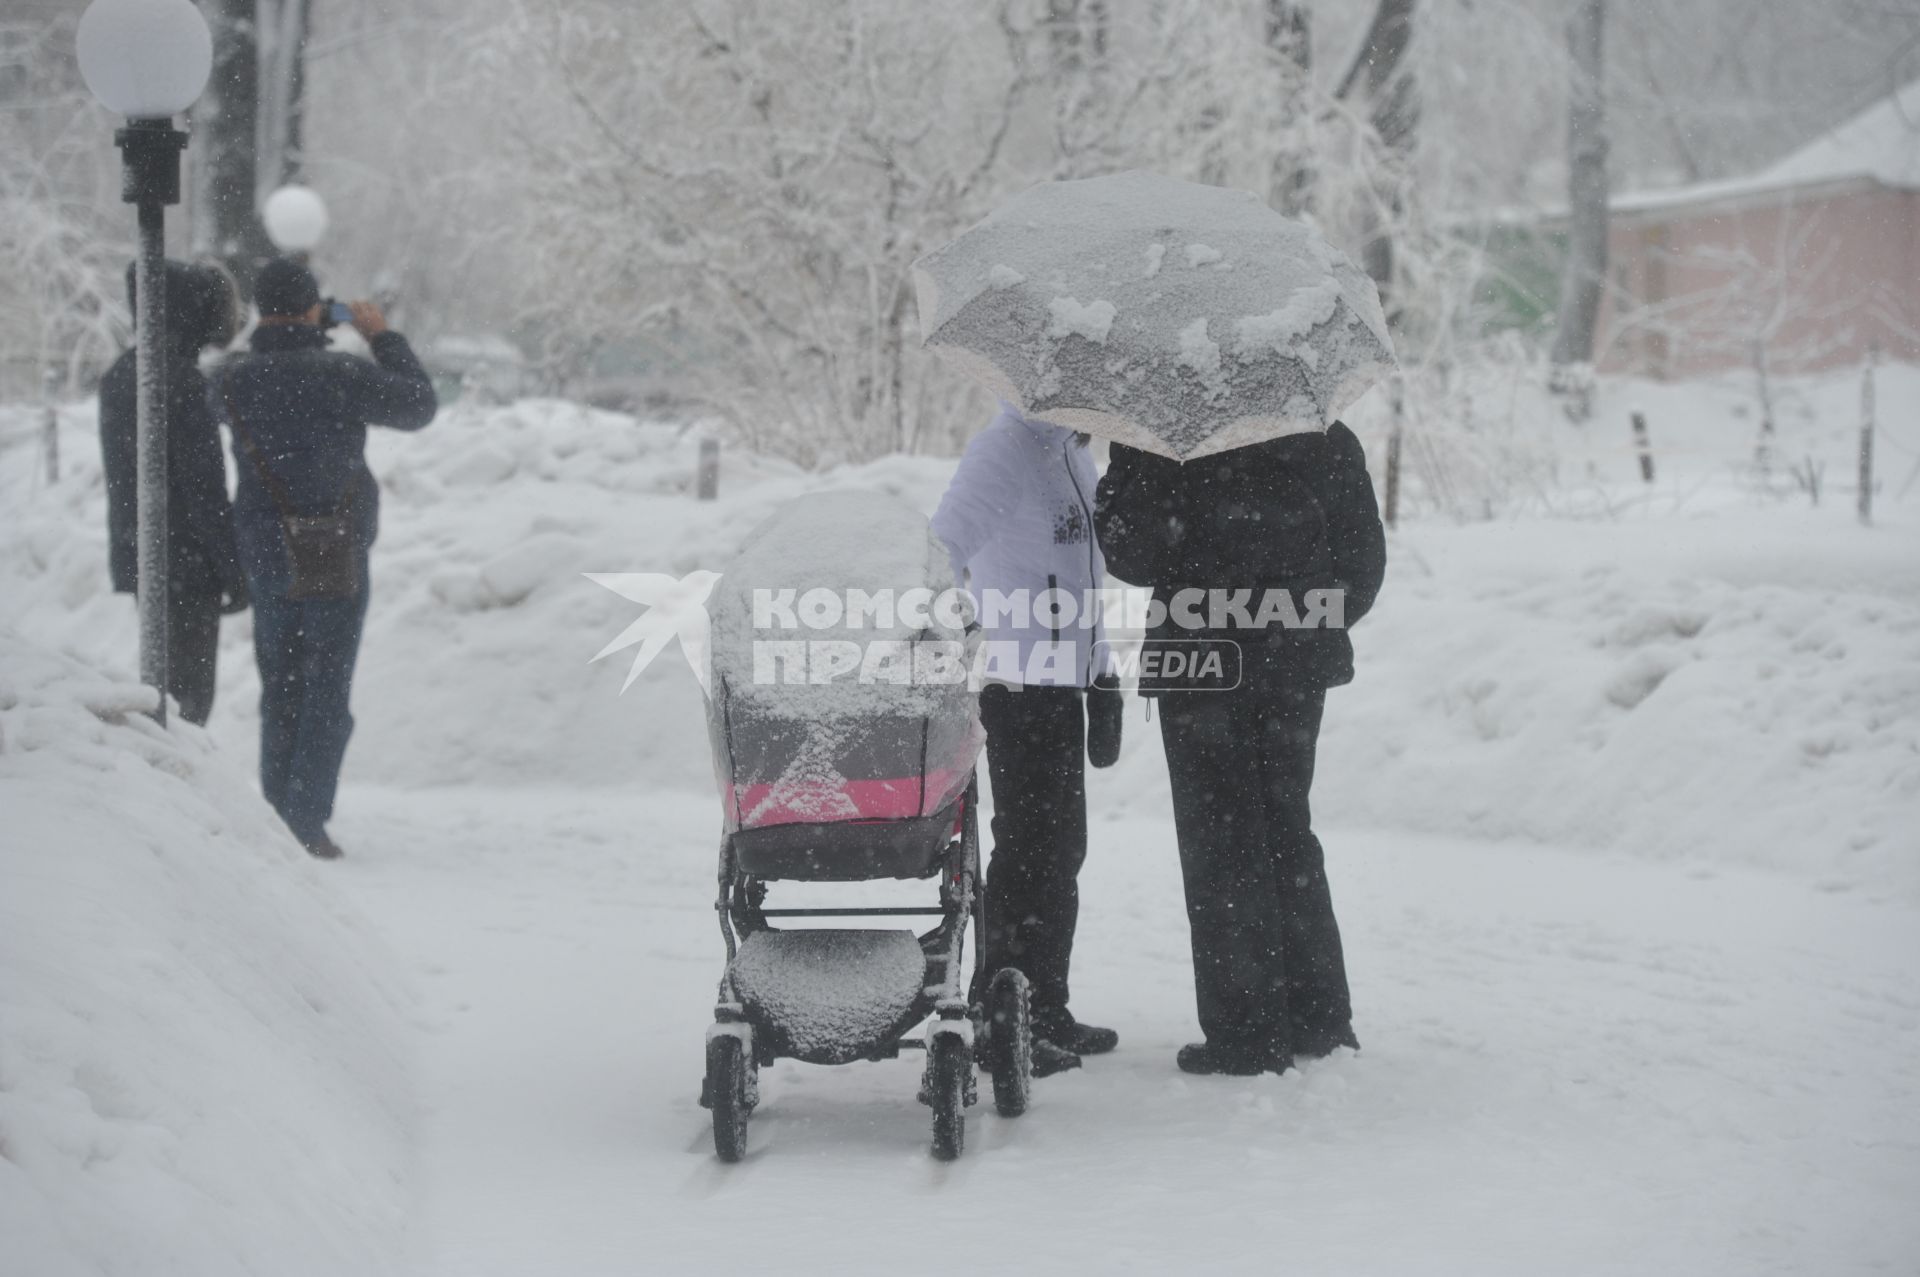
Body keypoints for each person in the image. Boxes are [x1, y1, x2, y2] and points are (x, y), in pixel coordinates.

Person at [1094, 422, 1385, 1076]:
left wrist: (1127, 474)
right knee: (1287, 827)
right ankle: (1318, 1016)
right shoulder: (1323, 431)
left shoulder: (1167, 432)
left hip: (1201, 664)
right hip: (1295, 666)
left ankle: (1247, 1031)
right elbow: (1363, 564)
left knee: (1221, 840)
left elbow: (1130, 552)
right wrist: (1300, 623)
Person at [211, 257, 437, 859]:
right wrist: (382, 337)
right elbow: (419, 405)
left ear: (260, 309)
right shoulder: (336, 372)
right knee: (325, 688)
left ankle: (277, 816)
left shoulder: (234, 377)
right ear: (316, 307)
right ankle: (305, 820)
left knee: (278, 684)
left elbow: (206, 394)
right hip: (333, 546)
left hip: (265, 548)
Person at [931, 403, 1122, 1077]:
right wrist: (957, 638)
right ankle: (999, 1014)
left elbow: (1081, 581)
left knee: (1062, 850)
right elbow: (941, 548)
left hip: (1063, 687)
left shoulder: (1072, 453)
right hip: (1015, 686)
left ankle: (1046, 1004)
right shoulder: (1006, 449)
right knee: (1028, 851)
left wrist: (1103, 673)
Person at [98, 259, 248, 726]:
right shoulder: (180, 382)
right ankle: (175, 787)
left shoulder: (124, 374)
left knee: (164, 690)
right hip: (186, 563)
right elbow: (204, 491)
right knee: (187, 703)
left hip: (146, 552)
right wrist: (233, 568)